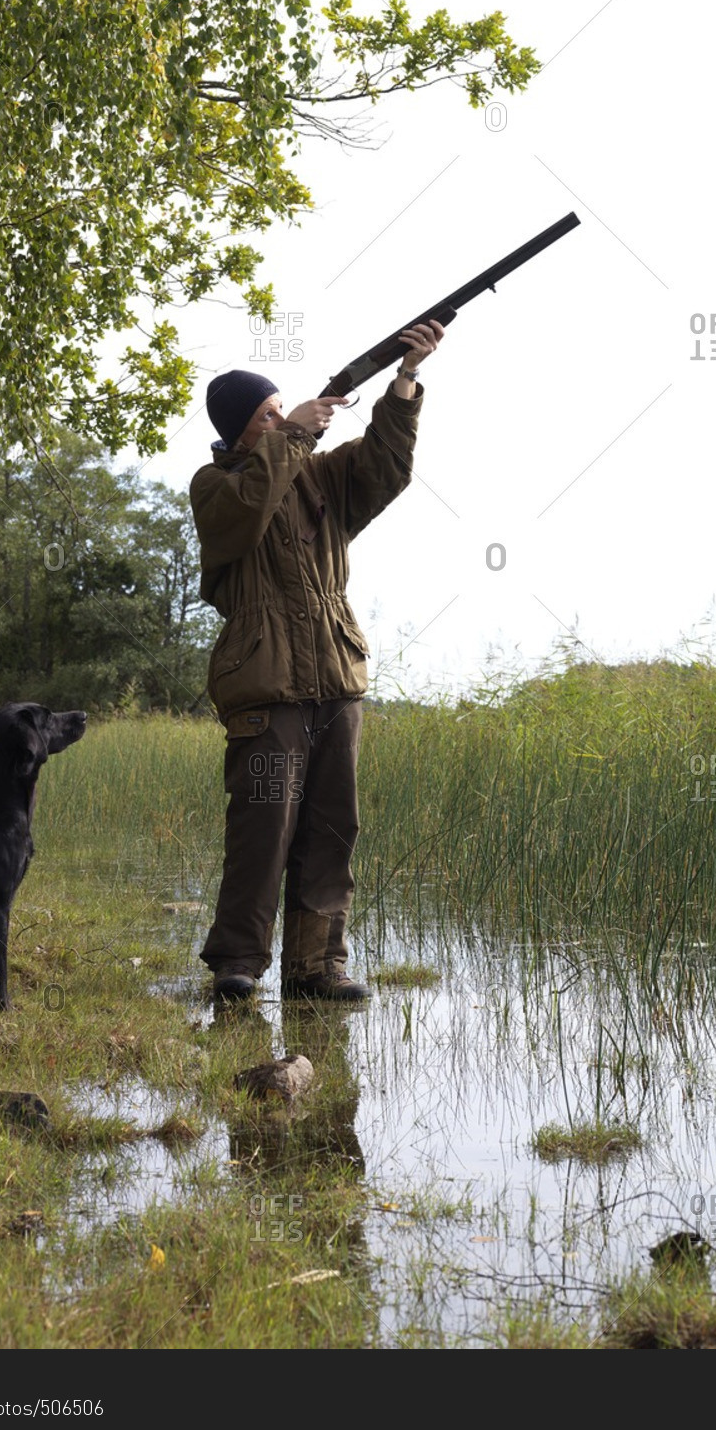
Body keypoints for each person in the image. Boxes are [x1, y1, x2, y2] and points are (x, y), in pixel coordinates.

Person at [190, 317, 445, 1001]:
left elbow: (387, 470)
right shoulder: (214, 486)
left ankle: (316, 969)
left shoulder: (321, 476)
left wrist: (404, 381)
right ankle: (238, 965)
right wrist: (295, 432)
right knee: (263, 827)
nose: (280, 416)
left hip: (335, 680)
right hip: (265, 689)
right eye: (267, 413)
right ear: (240, 429)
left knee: (332, 828)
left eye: (282, 407)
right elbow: (244, 513)